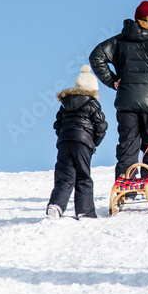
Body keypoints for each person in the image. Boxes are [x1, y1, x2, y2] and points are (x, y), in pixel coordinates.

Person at [90, 0, 148, 182]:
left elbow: (96, 56)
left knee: (128, 145)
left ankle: (125, 185)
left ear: (137, 17)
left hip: (127, 103)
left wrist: (114, 81)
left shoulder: (119, 40)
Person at [47, 66, 108, 219]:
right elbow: (101, 125)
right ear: (93, 88)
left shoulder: (65, 104)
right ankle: (85, 211)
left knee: (64, 176)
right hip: (83, 143)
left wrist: (63, 137)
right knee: (83, 176)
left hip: (64, 143)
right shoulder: (92, 103)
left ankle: (56, 206)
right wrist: (94, 142)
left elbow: (57, 124)